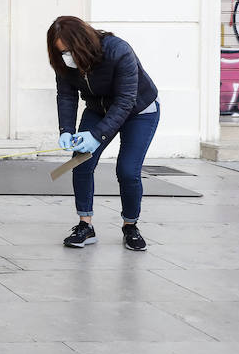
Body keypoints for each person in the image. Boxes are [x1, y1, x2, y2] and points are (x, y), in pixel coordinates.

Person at [48, 15, 160, 251]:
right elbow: (66, 96)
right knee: (80, 162)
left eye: (68, 51)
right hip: (98, 110)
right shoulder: (64, 64)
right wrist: (66, 130)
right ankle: (85, 225)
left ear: (81, 44)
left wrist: (96, 136)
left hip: (139, 110)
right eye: (60, 53)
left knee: (128, 170)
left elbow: (125, 101)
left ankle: (131, 226)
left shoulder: (118, 51)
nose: (65, 57)